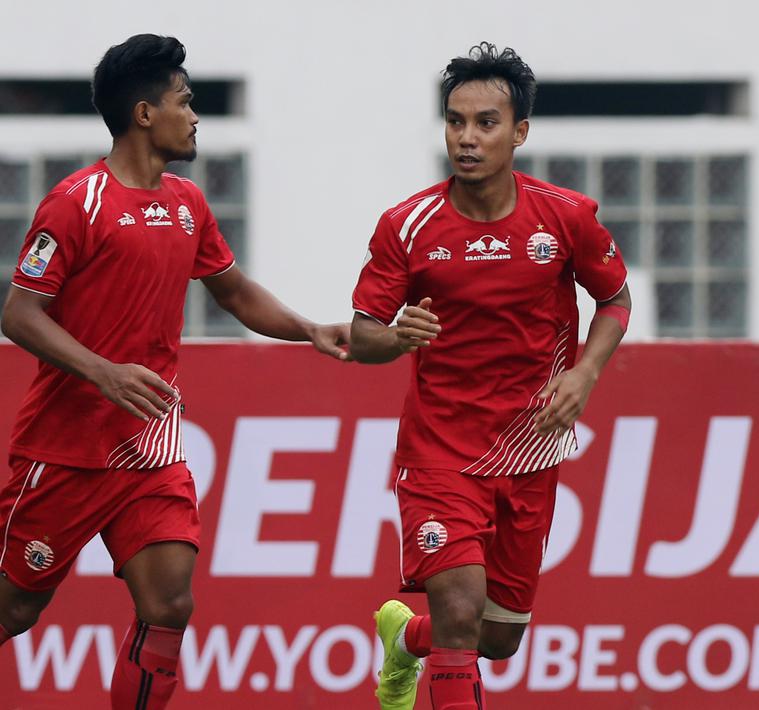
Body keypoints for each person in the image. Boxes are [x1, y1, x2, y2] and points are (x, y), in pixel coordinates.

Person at [0, 34, 350, 709]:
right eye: (185, 102)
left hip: (150, 448)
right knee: (15, 612)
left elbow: (236, 292)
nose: (194, 117)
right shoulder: (77, 203)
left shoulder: (187, 202)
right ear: (143, 114)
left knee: (170, 606)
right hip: (65, 450)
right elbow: (19, 315)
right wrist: (103, 372)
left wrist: (309, 328)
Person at [349, 42, 631, 710]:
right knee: (457, 611)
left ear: (519, 132)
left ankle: (403, 641)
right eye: (455, 122)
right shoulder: (408, 225)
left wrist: (584, 374)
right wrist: (395, 338)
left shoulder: (565, 217)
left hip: (528, 452)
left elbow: (614, 301)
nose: (466, 138)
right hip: (440, 451)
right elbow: (361, 335)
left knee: (496, 639)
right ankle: (429, 640)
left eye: (485, 123)